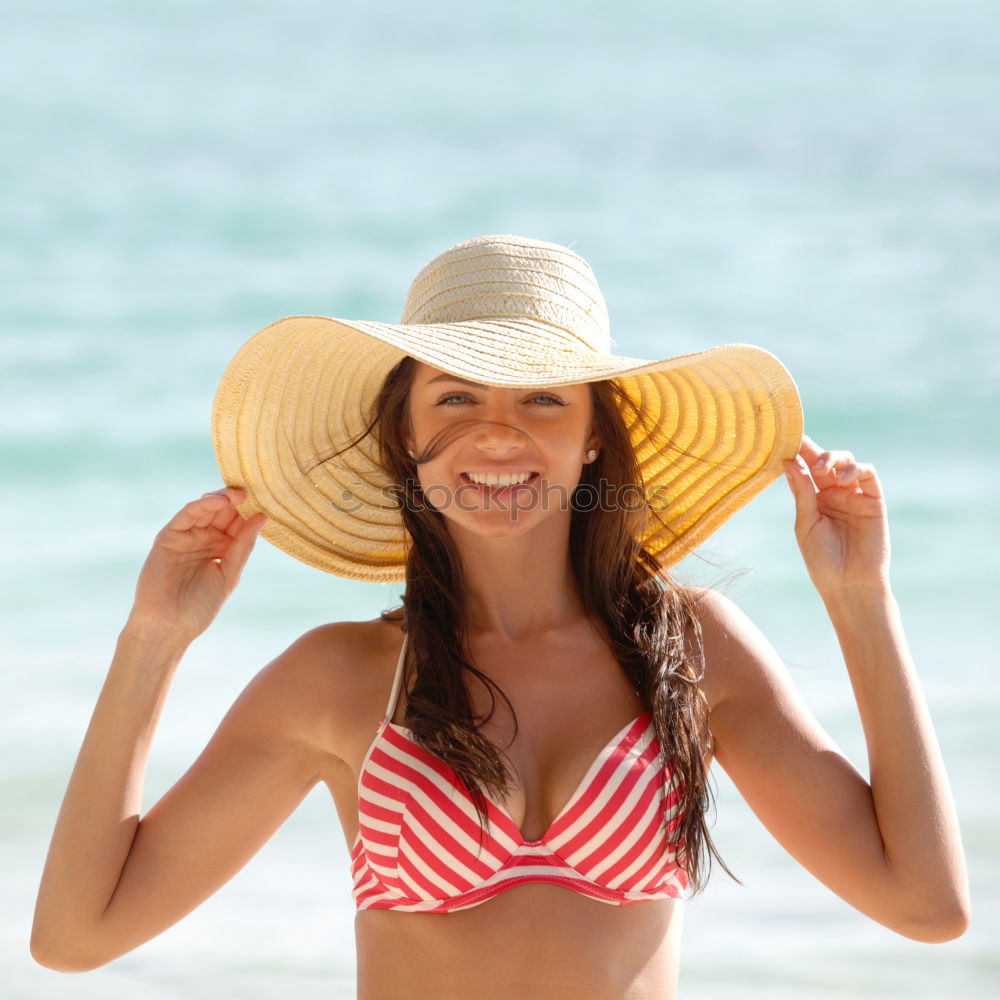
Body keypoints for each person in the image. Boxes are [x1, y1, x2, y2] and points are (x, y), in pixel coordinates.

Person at [32, 235, 968, 998]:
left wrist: (861, 599)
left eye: (545, 400)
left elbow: (927, 907)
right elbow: (77, 938)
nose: (497, 433)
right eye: (456, 395)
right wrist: (154, 639)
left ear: (597, 433)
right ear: (405, 432)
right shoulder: (343, 680)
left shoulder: (687, 652)